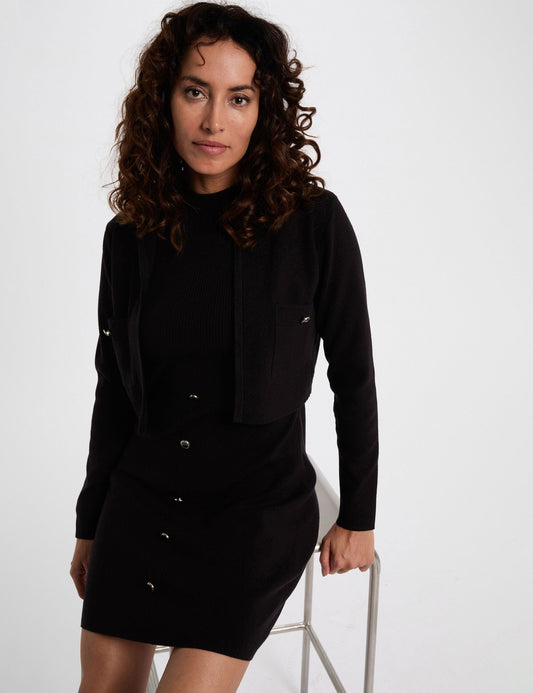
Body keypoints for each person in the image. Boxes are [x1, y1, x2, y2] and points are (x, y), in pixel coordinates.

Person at [69, 2, 379, 692]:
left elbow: (353, 373)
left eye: (238, 98)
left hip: (254, 508)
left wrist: (359, 515)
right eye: (195, 92)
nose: (214, 121)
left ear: (263, 110)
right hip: (145, 495)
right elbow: (113, 388)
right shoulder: (130, 234)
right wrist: (92, 524)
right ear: (163, 100)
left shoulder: (313, 223)